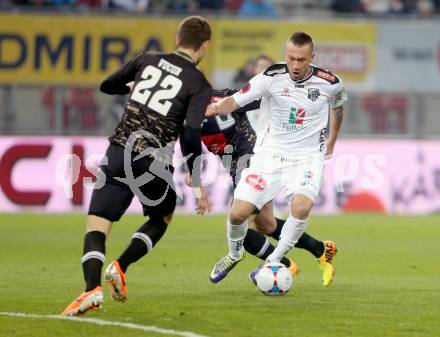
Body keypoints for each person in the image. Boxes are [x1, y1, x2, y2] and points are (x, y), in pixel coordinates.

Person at [62, 15, 213, 316]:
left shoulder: (148, 59)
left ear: (177, 38)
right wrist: (196, 181)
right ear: (205, 46)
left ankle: (91, 289)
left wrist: (132, 85)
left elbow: (107, 85)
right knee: (163, 216)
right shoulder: (198, 83)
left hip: (118, 152)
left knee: (97, 227)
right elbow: (192, 133)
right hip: (152, 162)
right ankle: (120, 266)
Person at [206, 32, 346, 285]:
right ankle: (235, 254)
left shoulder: (331, 82)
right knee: (239, 215)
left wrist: (332, 142)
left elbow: (338, 110)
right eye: (291, 58)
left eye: (301, 60)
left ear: (312, 57)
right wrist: (214, 108)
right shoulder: (271, 77)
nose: (295, 65)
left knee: (300, 208)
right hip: (269, 156)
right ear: (285, 55)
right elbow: (236, 100)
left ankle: (273, 262)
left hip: (306, 157)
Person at [193, 88, 337, 285]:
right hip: (236, 166)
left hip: (254, 160)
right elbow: (188, 143)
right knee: (266, 224)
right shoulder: (184, 113)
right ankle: (320, 249)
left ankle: (264, 261)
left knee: (239, 219)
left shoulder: (224, 97)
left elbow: (268, 101)